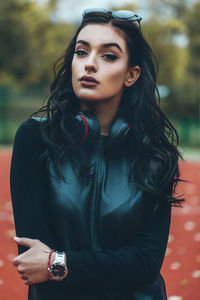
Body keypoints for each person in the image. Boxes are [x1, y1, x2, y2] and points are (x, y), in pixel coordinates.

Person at [10, 8, 185, 300]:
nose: (89, 64)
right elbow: (33, 259)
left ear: (131, 75)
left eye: (109, 56)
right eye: (82, 52)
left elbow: (145, 264)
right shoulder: (35, 139)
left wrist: (58, 263)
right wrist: (60, 264)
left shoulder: (156, 154)